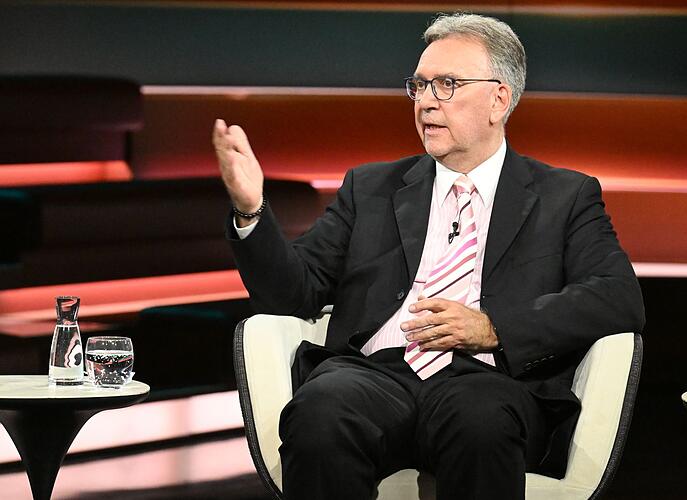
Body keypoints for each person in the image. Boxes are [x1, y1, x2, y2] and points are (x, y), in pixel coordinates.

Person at [213, 12, 644, 500]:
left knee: (480, 420)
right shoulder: (370, 187)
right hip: (374, 375)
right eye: (418, 86)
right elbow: (294, 292)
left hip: (488, 379)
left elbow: (617, 296)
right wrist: (251, 211)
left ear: (499, 99)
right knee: (322, 410)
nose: (425, 102)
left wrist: (494, 328)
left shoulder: (564, 196)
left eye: (447, 85)